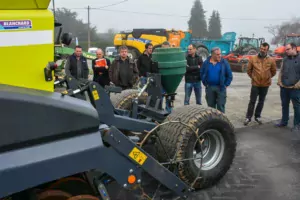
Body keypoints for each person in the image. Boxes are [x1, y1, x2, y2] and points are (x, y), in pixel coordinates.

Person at [244, 42, 277, 125]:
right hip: (255, 84)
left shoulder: (271, 60)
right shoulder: (253, 58)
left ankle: (257, 116)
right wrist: (254, 77)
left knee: (261, 101)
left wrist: (267, 78)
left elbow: (273, 71)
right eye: (261, 48)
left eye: (264, 49)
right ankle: (248, 117)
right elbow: (249, 70)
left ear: (267, 50)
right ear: (260, 48)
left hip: (265, 85)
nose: (262, 50)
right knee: (252, 101)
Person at [200, 47, 233, 113]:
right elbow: (202, 73)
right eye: (217, 54)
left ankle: (221, 122)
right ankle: (213, 122)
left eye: (220, 54)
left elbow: (229, 75)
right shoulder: (206, 63)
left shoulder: (224, 63)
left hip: (221, 88)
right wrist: (205, 83)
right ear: (212, 55)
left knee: (220, 106)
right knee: (211, 107)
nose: (220, 55)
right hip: (209, 88)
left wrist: (226, 85)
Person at [276, 43, 300, 131]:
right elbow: (281, 71)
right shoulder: (285, 59)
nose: (286, 51)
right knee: (284, 105)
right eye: (286, 49)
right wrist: (279, 81)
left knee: (296, 107)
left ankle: (297, 124)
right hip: (284, 88)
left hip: (295, 89)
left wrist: (298, 85)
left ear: (294, 48)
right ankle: (284, 121)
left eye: (288, 49)